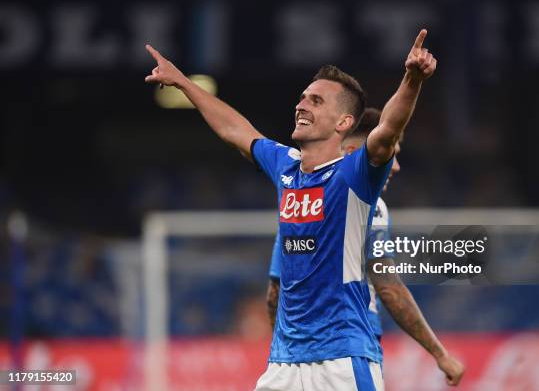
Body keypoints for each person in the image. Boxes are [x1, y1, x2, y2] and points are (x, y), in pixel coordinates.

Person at [145, 29, 458, 390]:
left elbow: (388, 129)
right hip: (285, 363)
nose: (302, 105)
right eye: (303, 97)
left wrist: (412, 79)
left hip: (342, 359)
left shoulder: (353, 176)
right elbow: (235, 128)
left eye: (316, 101)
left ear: (343, 124)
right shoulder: (286, 166)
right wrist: (183, 82)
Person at [266, 108, 464, 386]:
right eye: (390, 151)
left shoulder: (296, 202)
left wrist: (286, 351)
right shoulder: (369, 206)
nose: (394, 165)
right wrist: (440, 354)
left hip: (292, 355)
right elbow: (388, 286)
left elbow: (274, 293)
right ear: (352, 151)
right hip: (350, 348)